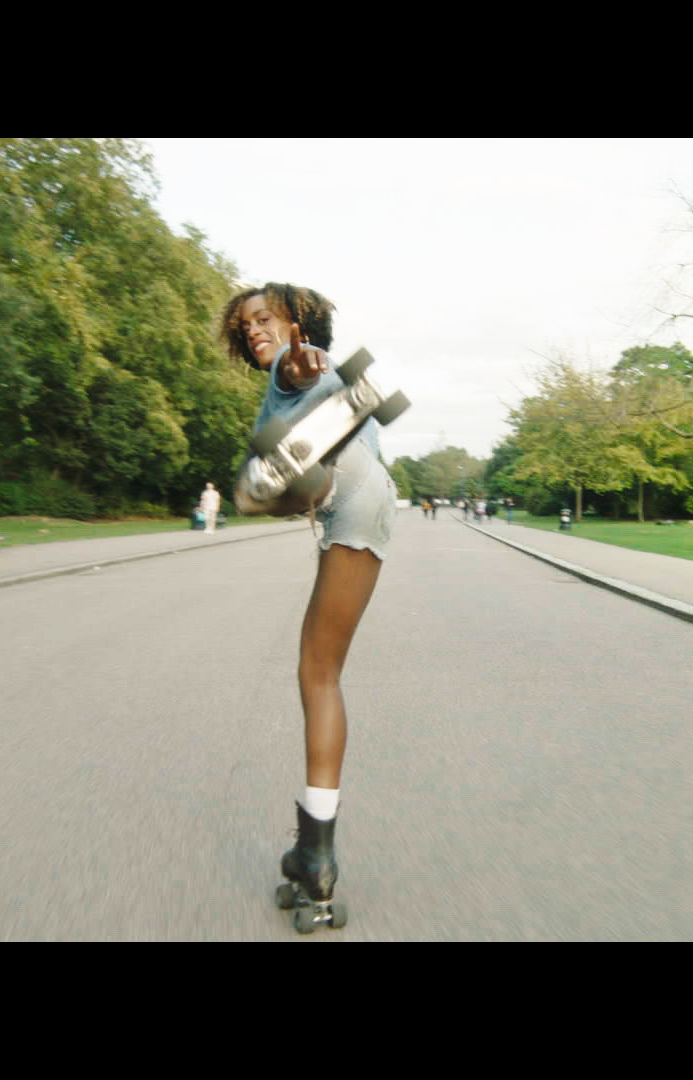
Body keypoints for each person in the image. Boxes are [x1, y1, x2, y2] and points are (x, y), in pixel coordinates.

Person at [222, 281, 395, 930]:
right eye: (246, 328)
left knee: (249, 485)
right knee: (320, 675)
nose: (254, 332)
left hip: (342, 482)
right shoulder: (304, 376)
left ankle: (291, 481)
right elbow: (315, 373)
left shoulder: (297, 367)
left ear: (296, 321)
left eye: (265, 319)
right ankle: (312, 858)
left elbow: (302, 368)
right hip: (374, 501)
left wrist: (303, 364)